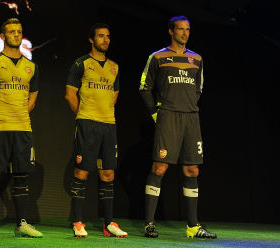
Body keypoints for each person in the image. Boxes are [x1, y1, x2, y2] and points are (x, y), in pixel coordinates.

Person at [140, 16, 216, 239]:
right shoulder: (157, 57)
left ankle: (193, 226)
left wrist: (187, 107)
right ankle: (149, 223)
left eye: (188, 29)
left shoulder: (197, 59)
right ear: (171, 31)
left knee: (192, 170)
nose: (184, 33)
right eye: (180, 29)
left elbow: (199, 89)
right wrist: (156, 113)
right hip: (168, 116)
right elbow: (144, 87)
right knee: (159, 168)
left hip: (191, 119)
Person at [0, 18, 42, 238]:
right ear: (3, 36)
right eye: (12, 32)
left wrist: (18, 114)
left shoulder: (32, 67)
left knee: (21, 175)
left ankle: (21, 223)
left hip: (22, 128)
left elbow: (33, 99)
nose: (16, 35)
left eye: (19, 32)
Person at [65, 22, 127, 238]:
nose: (105, 40)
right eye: (101, 36)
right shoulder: (81, 63)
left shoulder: (114, 67)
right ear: (91, 39)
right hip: (87, 123)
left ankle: (108, 223)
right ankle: (77, 221)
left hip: (108, 124)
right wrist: (84, 114)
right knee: (82, 172)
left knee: (108, 173)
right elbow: (70, 95)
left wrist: (103, 113)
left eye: (108, 36)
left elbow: (114, 96)